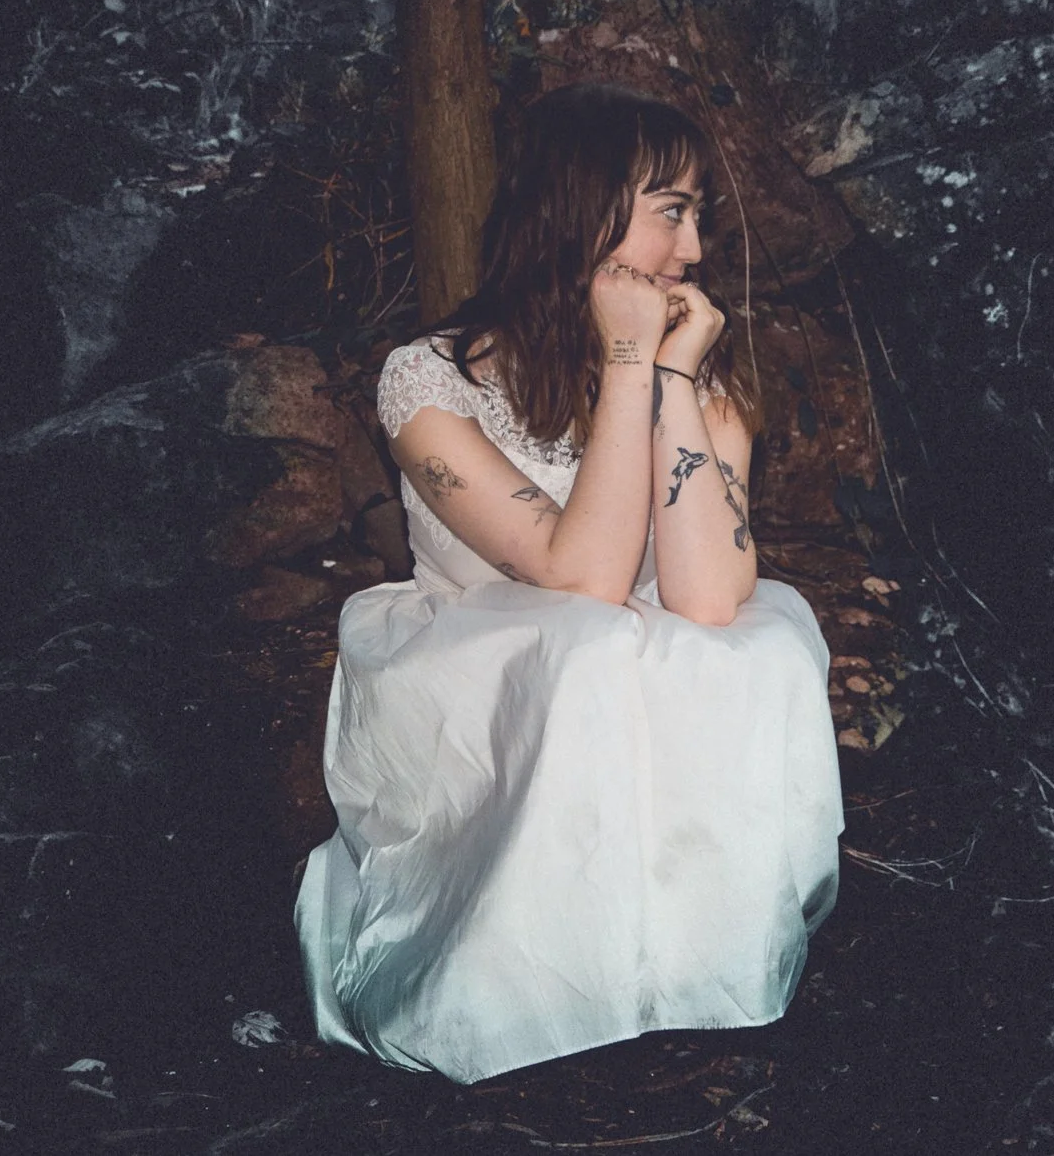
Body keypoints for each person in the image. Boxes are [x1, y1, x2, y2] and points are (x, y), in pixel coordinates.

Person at [293, 82, 843, 1084]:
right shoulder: (428, 382)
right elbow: (578, 575)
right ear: (581, 210)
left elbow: (709, 598)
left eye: (697, 218)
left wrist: (669, 381)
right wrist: (630, 358)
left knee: (755, 645)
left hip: (608, 647)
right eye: (671, 213)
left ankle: (676, 979)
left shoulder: (695, 379)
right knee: (589, 648)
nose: (692, 254)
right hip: (471, 676)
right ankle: (514, 994)